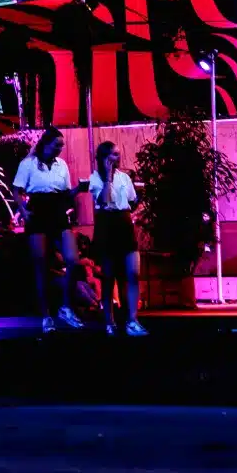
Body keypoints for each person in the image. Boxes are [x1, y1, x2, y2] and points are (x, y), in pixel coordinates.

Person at [12, 130, 84, 333]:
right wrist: (23, 211)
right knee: (41, 265)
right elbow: (16, 189)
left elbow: (66, 193)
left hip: (58, 210)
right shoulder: (29, 164)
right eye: (57, 145)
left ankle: (66, 307)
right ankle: (46, 316)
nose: (60, 149)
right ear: (46, 144)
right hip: (38, 210)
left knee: (73, 260)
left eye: (62, 145)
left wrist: (79, 189)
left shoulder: (62, 165)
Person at [87, 141, 144, 336]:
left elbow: (131, 200)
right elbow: (104, 200)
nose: (116, 158)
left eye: (118, 154)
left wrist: (135, 211)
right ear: (103, 157)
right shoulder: (95, 178)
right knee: (109, 277)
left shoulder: (125, 178)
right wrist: (108, 179)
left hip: (124, 223)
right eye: (113, 155)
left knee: (132, 273)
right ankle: (109, 322)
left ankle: (132, 320)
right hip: (106, 224)